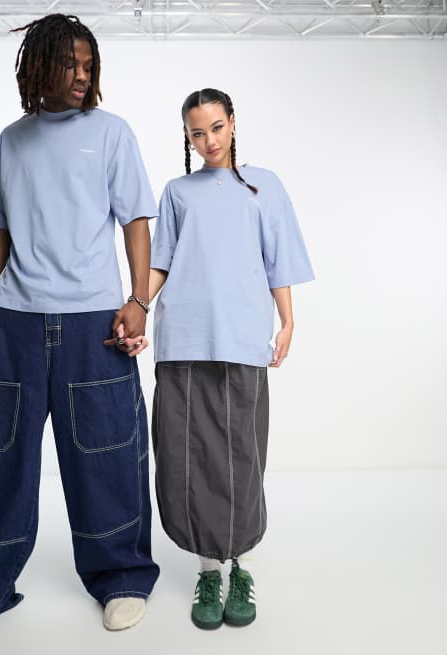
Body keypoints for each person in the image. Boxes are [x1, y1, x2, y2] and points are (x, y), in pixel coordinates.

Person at [0, 13, 158, 636]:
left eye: (89, 65)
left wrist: (138, 300)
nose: (82, 75)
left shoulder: (112, 133)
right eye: (69, 64)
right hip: (16, 322)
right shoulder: (11, 141)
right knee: (0, 454)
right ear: (39, 67)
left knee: (107, 454)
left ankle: (120, 576)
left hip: (94, 322)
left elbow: (136, 222)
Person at [146, 88, 314, 629]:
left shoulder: (264, 186)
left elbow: (278, 258)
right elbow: (161, 261)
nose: (209, 140)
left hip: (242, 337)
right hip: (183, 337)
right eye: (197, 133)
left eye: (216, 128)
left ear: (233, 123)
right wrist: (136, 306)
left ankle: (241, 567)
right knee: (187, 454)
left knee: (242, 452)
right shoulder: (177, 192)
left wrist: (287, 321)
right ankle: (207, 571)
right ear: (187, 137)